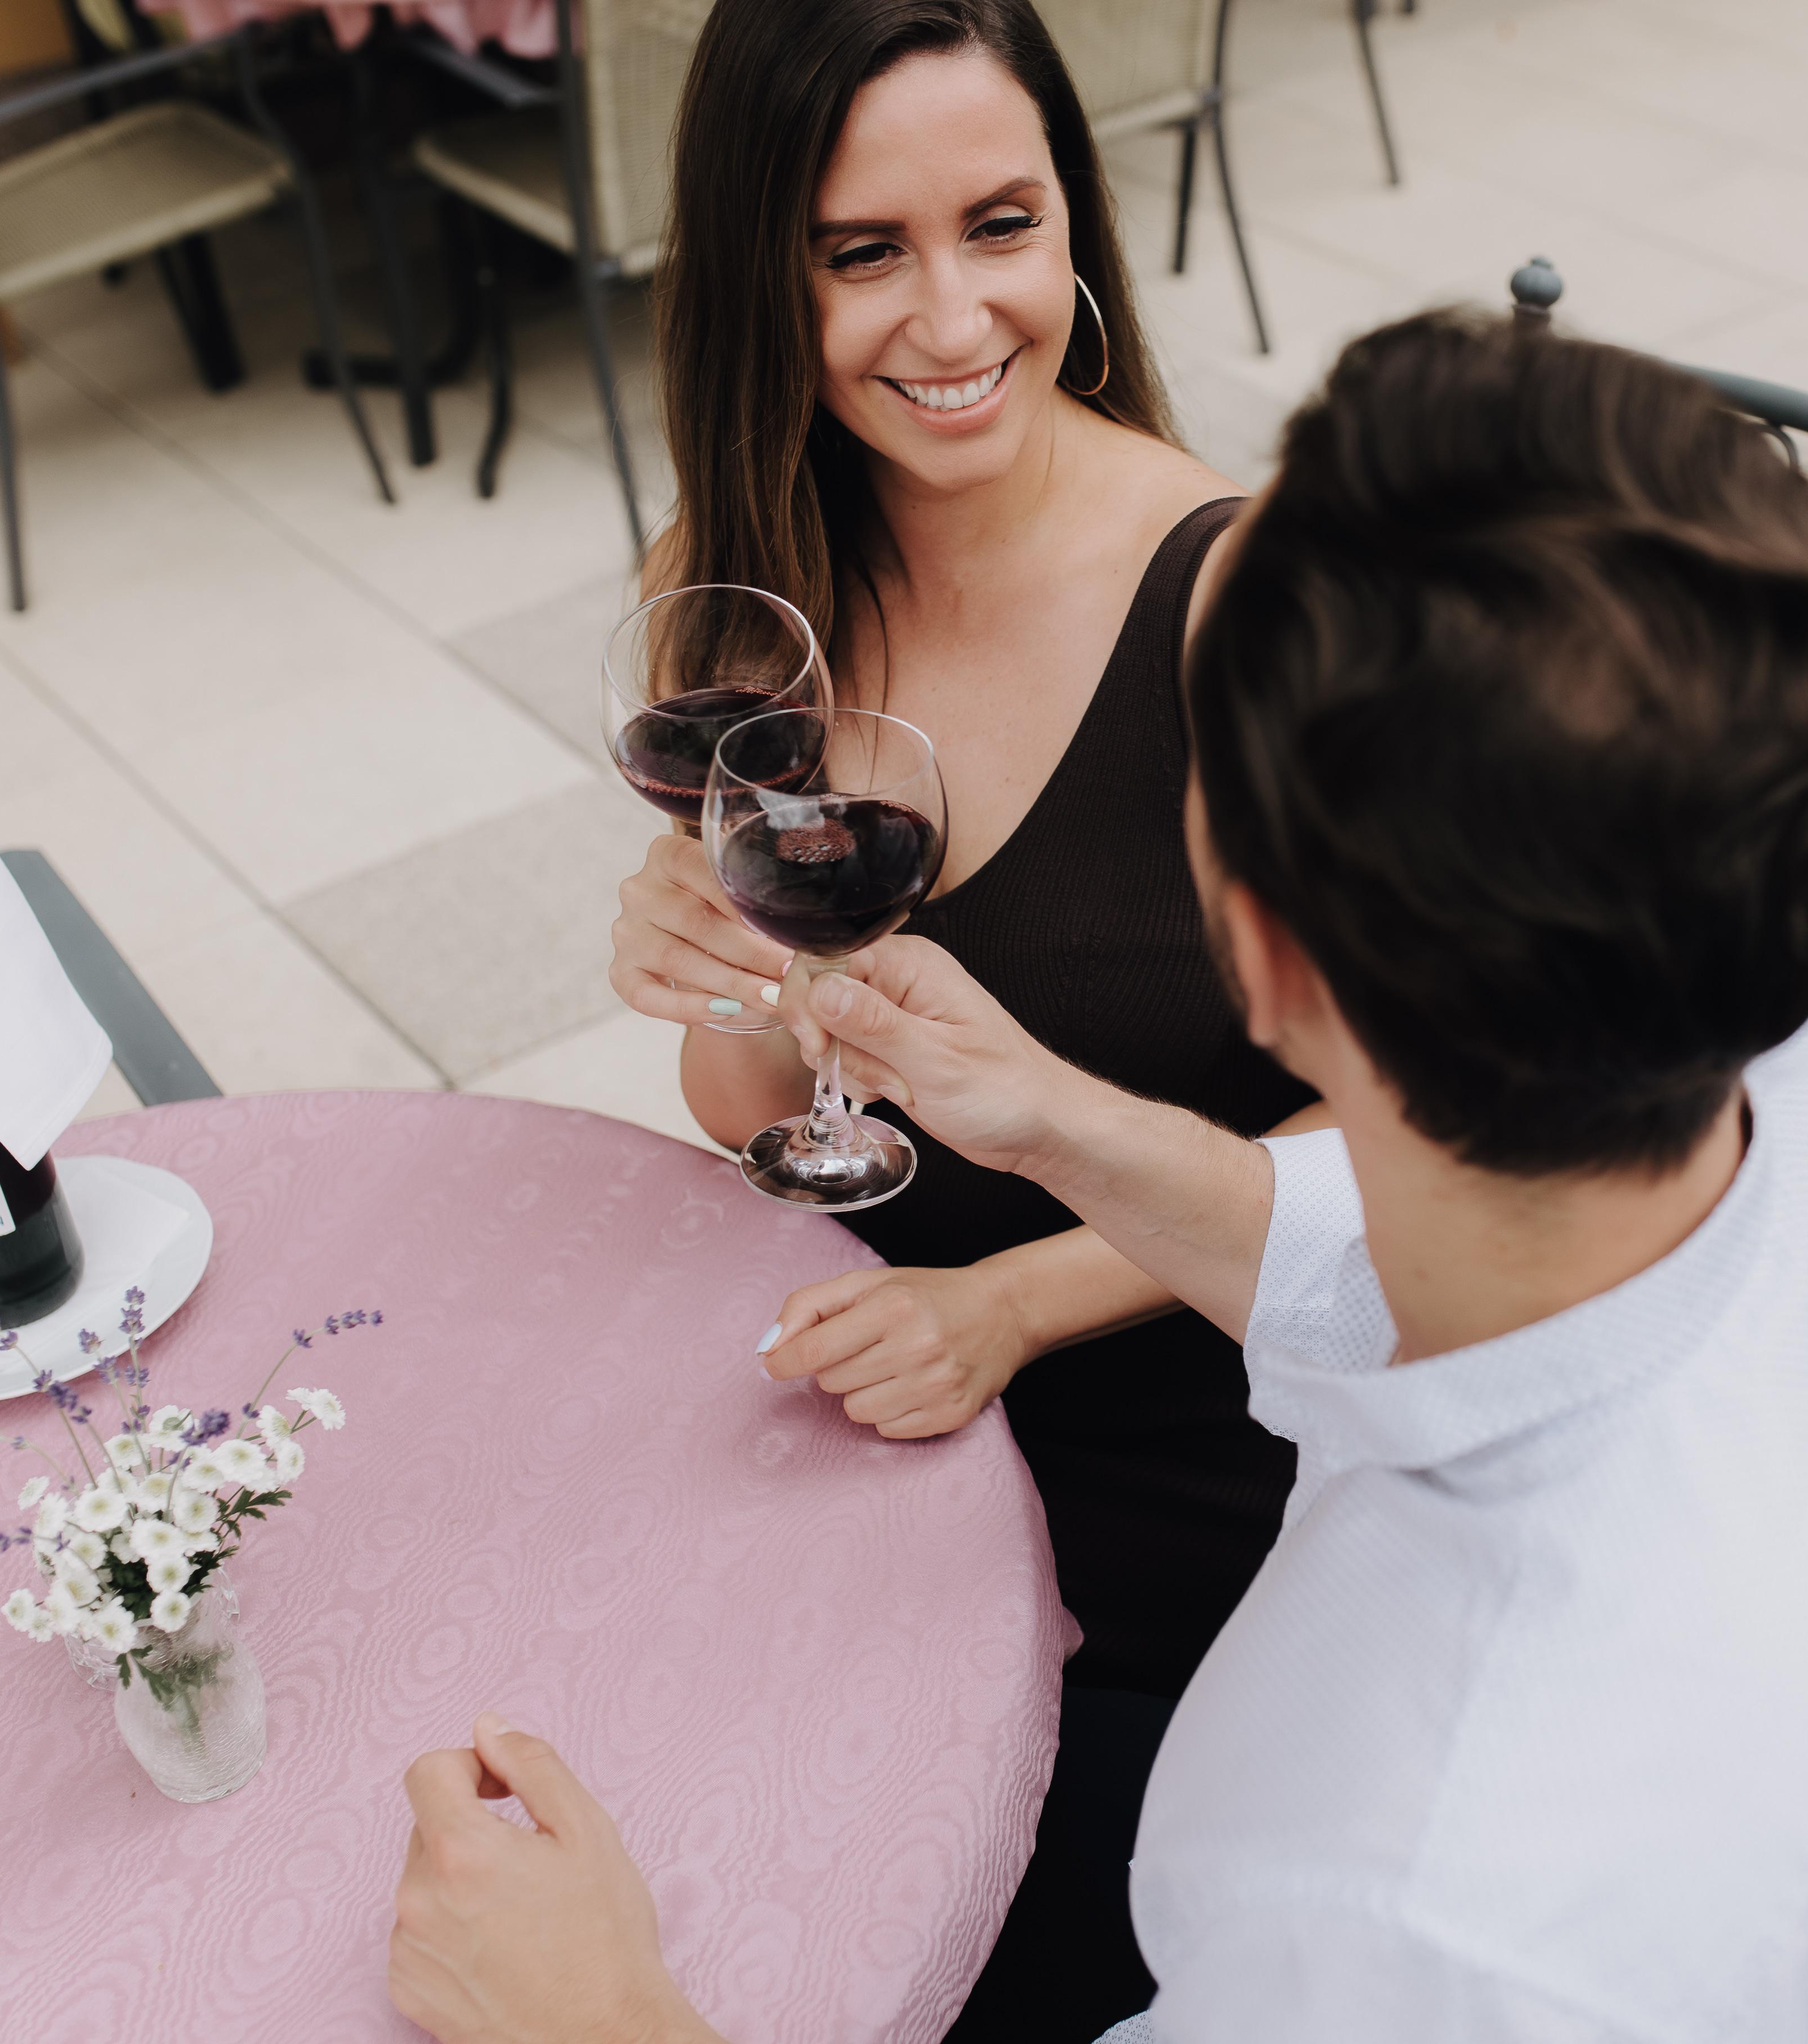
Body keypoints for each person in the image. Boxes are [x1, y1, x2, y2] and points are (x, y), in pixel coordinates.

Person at [421, 310, 1808, 2041]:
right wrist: (1054, 1116)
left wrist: (600, 2020)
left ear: (1261, 956)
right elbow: (1380, 1250)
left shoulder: (1420, 1915)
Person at [605, 3, 1326, 2030]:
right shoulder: (737, 583)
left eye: (1000, 225)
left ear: (1071, 223)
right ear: (764, 280)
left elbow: (1409, 1145)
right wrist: (709, 961)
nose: (951, 319)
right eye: (864, 253)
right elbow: (762, 1106)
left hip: (1196, 1472)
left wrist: (1009, 1307)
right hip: (877, 1407)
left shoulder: (1247, 605)